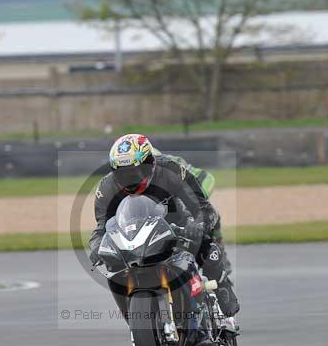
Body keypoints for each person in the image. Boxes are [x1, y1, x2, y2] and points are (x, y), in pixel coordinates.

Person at [88, 133, 239, 325]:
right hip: (135, 233)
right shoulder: (107, 187)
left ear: (149, 164)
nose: (128, 180)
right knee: (113, 267)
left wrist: (197, 225)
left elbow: (203, 207)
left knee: (205, 244)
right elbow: (102, 227)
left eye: (134, 172)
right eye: (121, 173)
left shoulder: (171, 170)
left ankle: (222, 287)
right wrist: (96, 247)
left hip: (176, 221)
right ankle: (136, 320)